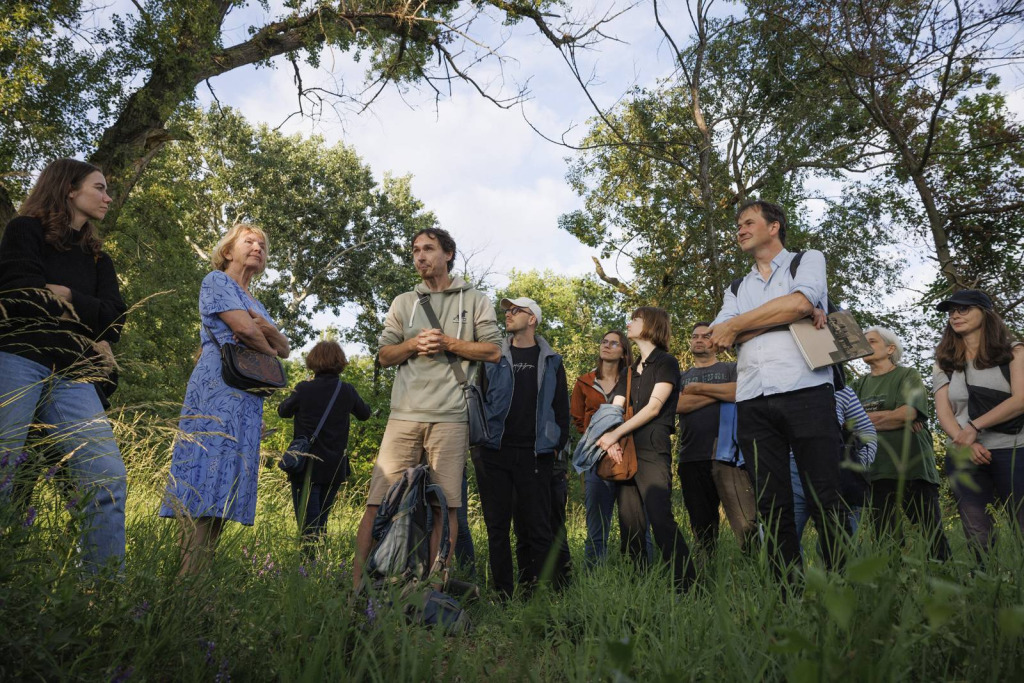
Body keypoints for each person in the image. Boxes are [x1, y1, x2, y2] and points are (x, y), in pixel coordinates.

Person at [353, 228, 502, 588]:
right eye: (416, 250)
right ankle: (356, 589)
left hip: (451, 418)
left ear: (448, 254)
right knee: (378, 502)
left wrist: (449, 343)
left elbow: (494, 351)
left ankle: (432, 591)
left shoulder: (475, 299)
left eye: (429, 249)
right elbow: (384, 355)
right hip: (404, 416)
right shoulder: (404, 302)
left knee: (444, 507)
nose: (420, 256)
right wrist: (412, 345)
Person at [0, 158, 127, 572]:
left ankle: (104, 596)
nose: (108, 197)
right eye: (99, 188)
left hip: (75, 374)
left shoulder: (98, 259)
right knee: (4, 470)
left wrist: (69, 296)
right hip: (18, 358)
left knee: (107, 478)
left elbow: (115, 320)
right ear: (70, 189)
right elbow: (22, 293)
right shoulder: (25, 230)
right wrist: (87, 317)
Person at [709, 199, 845, 583]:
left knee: (825, 495)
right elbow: (721, 335)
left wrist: (744, 323)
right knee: (771, 503)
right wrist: (788, 313)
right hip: (752, 401)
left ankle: (841, 586)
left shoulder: (807, 260)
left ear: (774, 227)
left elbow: (800, 302)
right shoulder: (736, 287)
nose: (740, 229)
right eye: (738, 225)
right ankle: (787, 592)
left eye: (748, 222)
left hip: (807, 391)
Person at [160, 223, 291, 575]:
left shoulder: (256, 302)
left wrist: (268, 331)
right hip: (216, 390)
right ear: (228, 251)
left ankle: (198, 581)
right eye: (249, 241)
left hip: (245, 398)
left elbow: (286, 348)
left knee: (222, 491)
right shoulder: (216, 281)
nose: (258, 247)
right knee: (203, 480)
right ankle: (187, 581)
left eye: (262, 244)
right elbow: (245, 330)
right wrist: (267, 347)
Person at [474, 297, 569, 599]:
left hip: (535, 454)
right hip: (495, 453)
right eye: (507, 310)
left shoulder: (552, 360)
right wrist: (480, 442)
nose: (509, 314)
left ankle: (537, 594)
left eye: (516, 310)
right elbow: (480, 399)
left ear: (532, 319)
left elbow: (561, 408)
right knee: (497, 528)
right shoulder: (493, 356)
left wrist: (557, 447)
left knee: (538, 527)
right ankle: (502, 595)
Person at [597, 307, 695, 591]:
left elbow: (653, 408)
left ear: (650, 325)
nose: (629, 323)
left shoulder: (666, 362)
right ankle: (637, 585)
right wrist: (610, 440)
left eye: (635, 319)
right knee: (630, 523)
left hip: (653, 447)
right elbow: (614, 411)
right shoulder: (628, 371)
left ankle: (687, 585)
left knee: (660, 516)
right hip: (626, 451)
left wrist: (615, 434)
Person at [933, 290, 1024, 562]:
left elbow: (1020, 400)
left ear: (985, 313)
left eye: (964, 309)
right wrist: (965, 441)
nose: (955, 315)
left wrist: (974, 427)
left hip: (1014, 450)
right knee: (978, 534)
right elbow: (944, 412)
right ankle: (986, 581)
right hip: (964, 454)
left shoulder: (1014, 351)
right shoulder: (944, 362)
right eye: (951, 311)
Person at [852, 327, 951, 560]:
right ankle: (895, 582)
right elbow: (846, 423)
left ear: (890, 349)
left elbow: (906, 414)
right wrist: (891, 416)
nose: (865, 346)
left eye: (872, 341)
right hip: (875, 471)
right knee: (886, 539)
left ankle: (944, 576)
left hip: (912, 468)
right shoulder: (857, 385)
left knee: (931, 533)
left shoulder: (908, 375)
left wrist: (864, 421)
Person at [277, 340, 370, 553]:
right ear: (340, 362)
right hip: (334, 467)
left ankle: (309, 566)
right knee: (320, 522)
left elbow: (283, 411)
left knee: (308, 527)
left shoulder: (303, 388)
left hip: (305, 466)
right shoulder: (346, 390)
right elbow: (365, 414)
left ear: (313, 361)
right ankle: (318, 564)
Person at [675, 321, 756, 559]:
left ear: (716, 342)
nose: (699, 340)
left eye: (705, 336)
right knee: (702, 529)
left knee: (746, 525)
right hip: (691, 457)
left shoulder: (731, 369)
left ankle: (757, 572)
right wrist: (720, 394)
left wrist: (699, 389)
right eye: (695, 336)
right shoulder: (681, 376)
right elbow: (678, 405)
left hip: (730, 457)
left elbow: (741, 391)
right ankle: (705, 577)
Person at [570, 330, 632, 566]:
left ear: (624, 352)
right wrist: (603, 441)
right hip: (595, 459)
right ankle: (594, 576)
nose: (606, 345)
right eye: (604, 342)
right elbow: (578, 420)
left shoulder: (632, 381)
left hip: (628, 456)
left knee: (636, 524)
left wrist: (617, 439)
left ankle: (639, 574)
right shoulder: (584, 382)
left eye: (614, 343)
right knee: (596, 527)